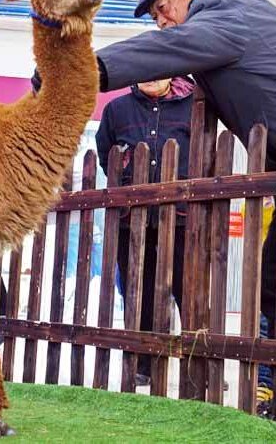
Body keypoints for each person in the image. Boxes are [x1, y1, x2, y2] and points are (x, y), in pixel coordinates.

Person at [37, 0, 276, 422]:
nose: (162, 21)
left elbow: (170, 47)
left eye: (163, 8)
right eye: (155, 16)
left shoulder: (226, 12)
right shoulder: (234, 20)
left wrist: (75, 72)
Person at [96, 76, 193, 386]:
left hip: (180, 217)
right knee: (139, 290)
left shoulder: (195, 106)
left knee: (188, 289)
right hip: (132, 218)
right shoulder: (117, 110)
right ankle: (144, 363)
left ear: (173, 73)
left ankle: (197, 364)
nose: (152, 76)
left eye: (159, 69)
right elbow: (104, 155)